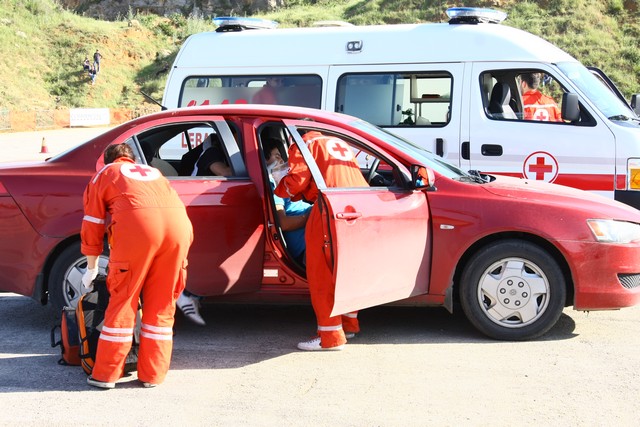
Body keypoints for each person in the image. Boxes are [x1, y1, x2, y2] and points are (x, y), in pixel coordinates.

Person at [81, 143, 193, 389]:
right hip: (179, 230)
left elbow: (93, 222)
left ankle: (106, 375)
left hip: (139, 230)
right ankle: (153, 375)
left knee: (123, 300)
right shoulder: (154, 173)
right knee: (163, 303)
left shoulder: (106, 173)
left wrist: (90, 268)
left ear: (109, 161)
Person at [274, 130, 369, 351]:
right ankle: (349, 325)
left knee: (321, 272)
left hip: (328, 206)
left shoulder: (304, 143)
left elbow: (296, 181)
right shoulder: (338, 141)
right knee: (346, 270)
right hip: (358, 205)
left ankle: (330, 337)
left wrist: (279, 187)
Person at [263, 138, 311, 265]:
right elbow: (282, 223)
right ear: (265, 160)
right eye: (277, 156)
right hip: (306, 248)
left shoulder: (283, 184)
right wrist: (314, 215)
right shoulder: (274, 185)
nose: (281, 161)